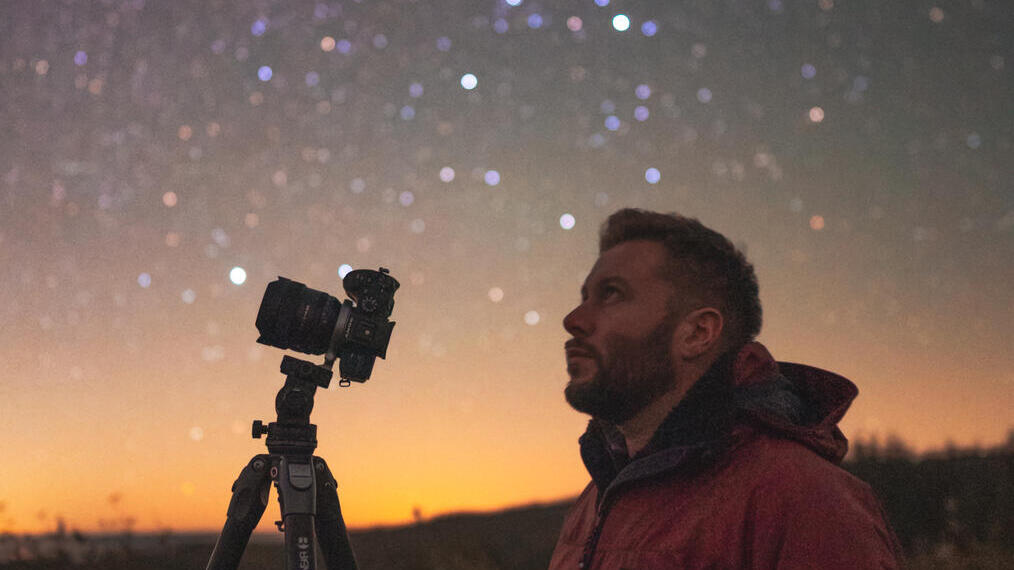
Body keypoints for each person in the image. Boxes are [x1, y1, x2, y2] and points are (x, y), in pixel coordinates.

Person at [548, 209, 903, 569]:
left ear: (698, 333)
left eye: (612, 295)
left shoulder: (805, 500)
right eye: (585, 296)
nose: (573, 319)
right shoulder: (597, 498)